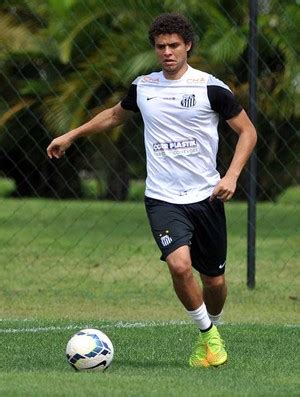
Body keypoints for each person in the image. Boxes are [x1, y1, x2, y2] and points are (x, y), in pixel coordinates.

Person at [47, 13, 257, 368]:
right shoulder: (144, 86)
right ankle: (208, 336)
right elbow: (114, 115)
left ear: (188, 45)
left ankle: (212, 332)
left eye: (174, 45)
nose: (168, 52)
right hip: (161, 197)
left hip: (206, 197)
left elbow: (248, 132)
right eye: (161, 47)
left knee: (215, 281)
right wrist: (71, 135)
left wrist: (232, 175)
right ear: (155, 50)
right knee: (178, 265)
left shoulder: (211, 88)